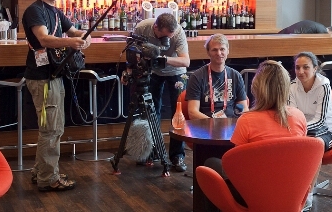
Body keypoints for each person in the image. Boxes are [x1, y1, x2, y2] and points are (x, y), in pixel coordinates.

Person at [203, 60, 308, 212]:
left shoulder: (247, 120)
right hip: (291, 192)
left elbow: (235, 165)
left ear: (256, 88)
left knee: (211, 164)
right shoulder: (299, 116)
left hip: (253, 194)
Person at [22, 0, 91, 191]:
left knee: (55, 127)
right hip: (42, 78)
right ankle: (48, 178)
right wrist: (71, 43)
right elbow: (44, 38)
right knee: (50, 130)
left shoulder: (56, 12)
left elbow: (74, 32)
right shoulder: (35, 11)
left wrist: (83, 38)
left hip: (54, 76)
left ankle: (41, 171)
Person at [130, 12, 190, 172]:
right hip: (154, 72)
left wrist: (163, 59)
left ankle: (177, 156)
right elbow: (132, 50)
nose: (166, 40)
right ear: (155, 27)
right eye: (163, 36)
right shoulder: (143, 28)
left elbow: (186, 60)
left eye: (169, 37)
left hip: (176, 72)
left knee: (178, 114)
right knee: (151, 112)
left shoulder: (178, 32)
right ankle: (153, 150)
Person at [288, 51, 332, 211]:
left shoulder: (324, 85)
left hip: (327, 132)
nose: (301, 71)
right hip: (302, 131)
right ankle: (292, 192)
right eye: (297, 68)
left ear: (315, 68)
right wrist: (295, 131)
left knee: (314, 145)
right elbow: (292, 114)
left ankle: (308, 196)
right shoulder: (292, 86)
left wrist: (298, 131)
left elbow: (321, 120)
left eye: (306, 67)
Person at [185, 33, 249, 119]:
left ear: (228, 51)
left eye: (222, 49)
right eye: (214, 50)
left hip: (231, 125)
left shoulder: (236, 76)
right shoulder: (197, 77)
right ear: (208, 52)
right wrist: (215, 124)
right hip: (206, 126)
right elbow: (193, 112)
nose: (219, 53)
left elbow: (244, 108)